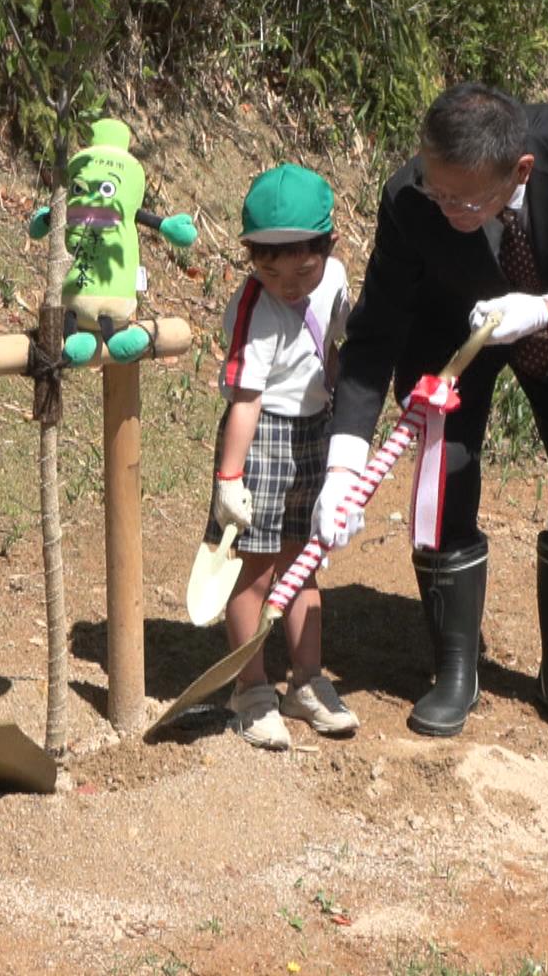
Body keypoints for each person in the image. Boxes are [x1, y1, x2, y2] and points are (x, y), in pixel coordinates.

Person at [315, 82, 548, 745]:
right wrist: (344, 460)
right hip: (452, 330)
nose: (447, 209)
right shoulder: (410, 196)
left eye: (466, 200)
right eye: (437, 191)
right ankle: (454, 669)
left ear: (519, 171)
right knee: (449, 477)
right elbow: (376, 332)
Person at [207, 164, 361, 750]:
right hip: (264, 438)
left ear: (328, 248)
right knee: (259, 567)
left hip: (318, 432)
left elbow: (343, 340)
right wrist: (230, 479)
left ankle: (306, 681)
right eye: (267, 267)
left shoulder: (336, 279)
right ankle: (250, 690)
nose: (287, 282)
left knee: (304, 561)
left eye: (301, 267)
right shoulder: (254, 310)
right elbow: (245, 402)